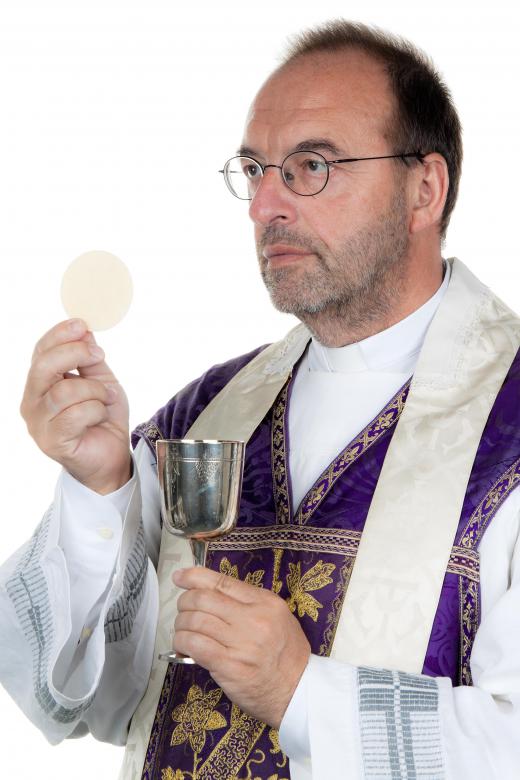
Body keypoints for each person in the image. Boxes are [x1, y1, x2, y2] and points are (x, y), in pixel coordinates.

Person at [1, 18, 520, 780]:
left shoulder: (506, 427)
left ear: (424, 189)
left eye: (311, 165)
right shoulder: (205, 416)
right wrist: (99, 489)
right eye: (256, 168)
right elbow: (89, 701)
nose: (264, 206)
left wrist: (302, 693)